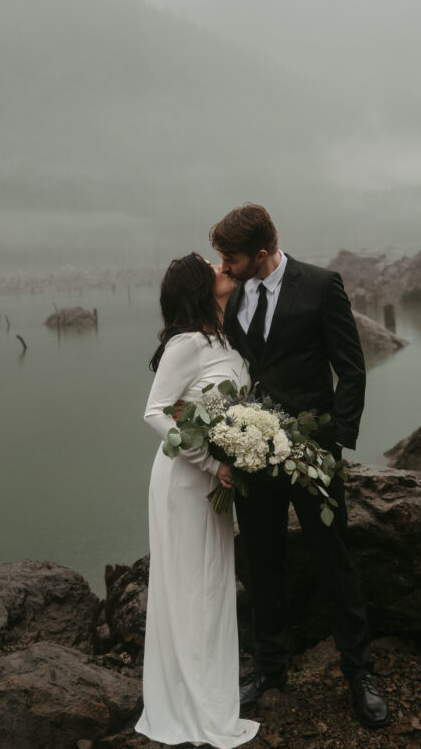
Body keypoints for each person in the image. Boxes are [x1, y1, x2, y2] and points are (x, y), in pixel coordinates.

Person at [210, 204, 389, 729]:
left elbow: (351, 369)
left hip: (313, 454)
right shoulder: (231, 294)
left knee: (333, 561)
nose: (225, 265)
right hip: (252, 456)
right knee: (262, 563)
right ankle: (270, 670)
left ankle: (360, 674)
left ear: (262, 254)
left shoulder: (321, 285)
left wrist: (334, 439)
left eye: (233, 257)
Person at [134, 253, 260, 749]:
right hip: (186, 481)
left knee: (212, 585)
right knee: (189, 587)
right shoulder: (186, 344)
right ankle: (187, 707)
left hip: (215, 483)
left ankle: (210, 696)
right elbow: (154, 413)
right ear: (197, 286)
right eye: (211, 266)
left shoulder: (223, 339)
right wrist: (212, 462)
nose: (221, 269)